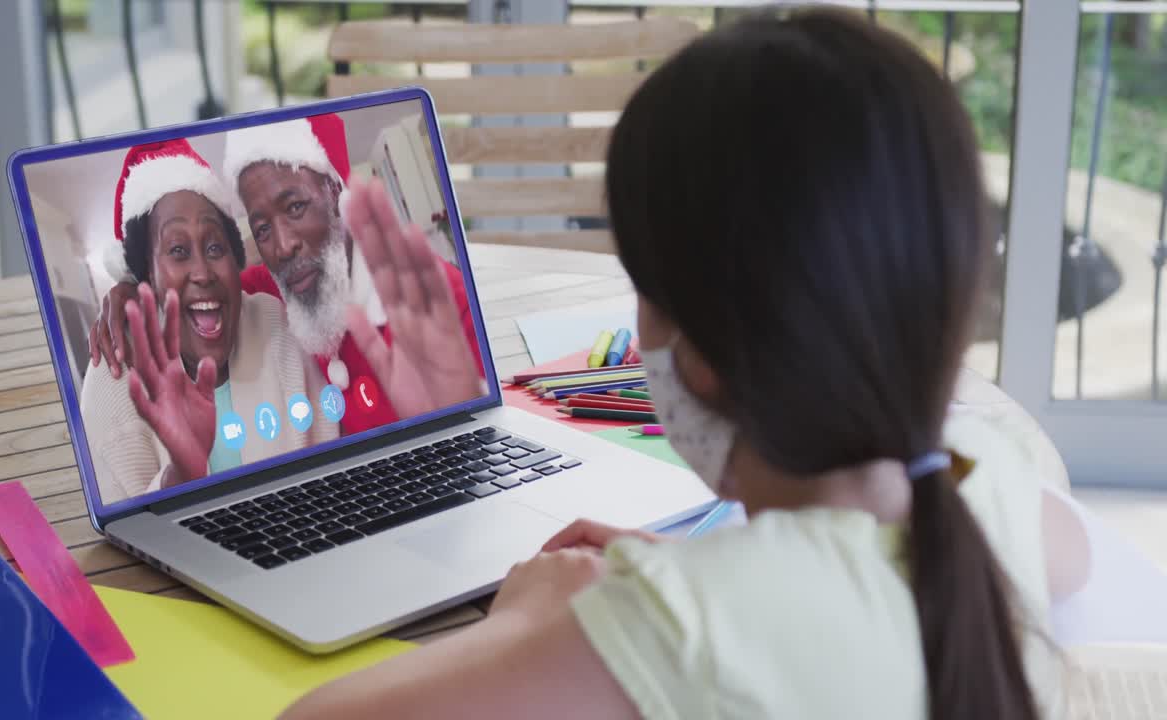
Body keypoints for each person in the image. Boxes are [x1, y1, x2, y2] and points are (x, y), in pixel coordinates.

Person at [278, 10, 1090, 719]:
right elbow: (1064, 555)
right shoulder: (994, 486)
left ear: (697, 356)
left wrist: (531, 623)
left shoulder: (684, 629)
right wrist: (716, 579)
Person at [89, 113, 485, 436]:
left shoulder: (438, 298)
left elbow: (487, 440)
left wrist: (460, 412)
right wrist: (130, 284)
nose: (282, 246)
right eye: (261, 227)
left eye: (295, 207)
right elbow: (198, 293)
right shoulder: (270, 293)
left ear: (334, 191)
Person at [81, 139, 337, 504]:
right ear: (146, 278)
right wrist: (181, 472)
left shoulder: (276, 324)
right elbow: (122, 541)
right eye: (178, 251)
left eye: (216, 248)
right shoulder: (112, 375)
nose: (202, 272)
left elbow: (329, 477)